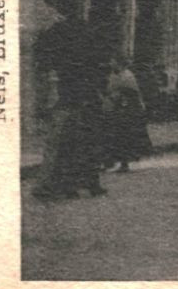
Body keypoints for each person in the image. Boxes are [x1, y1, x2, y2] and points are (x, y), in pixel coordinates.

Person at [31, 21, 109, 200]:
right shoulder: (80, 70)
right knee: (76, 150)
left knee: (67, 150)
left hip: (71, 111)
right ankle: (73, 185)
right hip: (76, 112)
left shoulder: (66, 69)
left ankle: (70, 186)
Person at [100, 56, 153, 173]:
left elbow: (132, 95)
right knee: (110, 137)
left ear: (119, 63)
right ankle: (109, 162)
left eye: (112, 61)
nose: (110, 63)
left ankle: (124, 164)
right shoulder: (114, 74)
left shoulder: (127, 76)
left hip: (126, 111)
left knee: (123, 137)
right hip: (113, 108)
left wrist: (118, 98)